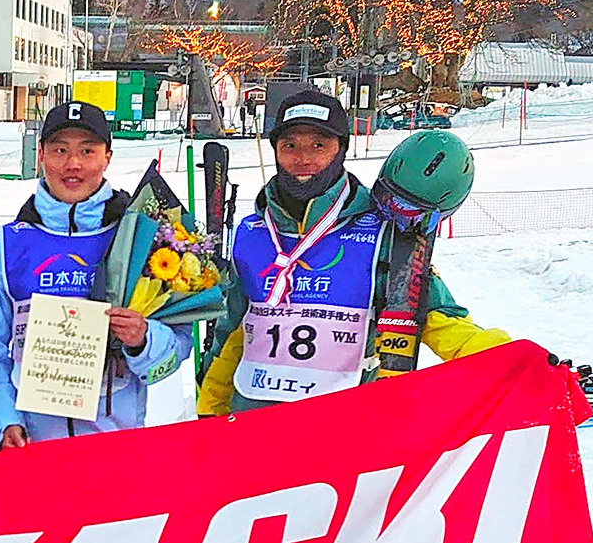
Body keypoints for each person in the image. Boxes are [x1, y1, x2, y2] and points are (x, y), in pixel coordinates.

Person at [197, 92, 509, 415]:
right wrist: (208, 414)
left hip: (347, 432)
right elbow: (231, 333)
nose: (303, 158)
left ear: (341, 150)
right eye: (290, 145)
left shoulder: (385, 233)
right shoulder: (252, 232)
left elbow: (443, 322)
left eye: (319, 145)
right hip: (254, 425)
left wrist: (519, 362)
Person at [0, 100, 192, 448]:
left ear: (108, 156)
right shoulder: (8, 246)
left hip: (117, 451)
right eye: (60, 150)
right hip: (32, 449)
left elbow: (177, 350)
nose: (72, 164)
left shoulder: (144, 240)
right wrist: (3, 421)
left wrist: (144, 338)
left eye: (87, 151)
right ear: (41, 154)